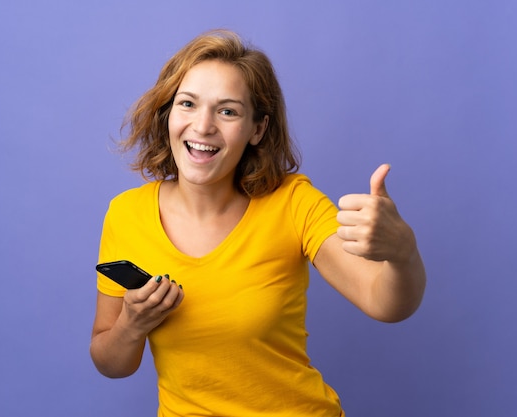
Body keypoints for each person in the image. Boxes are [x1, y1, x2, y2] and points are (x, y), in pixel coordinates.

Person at [90, 29, 426, 417]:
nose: (202, 126)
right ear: (168, 113)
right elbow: (111, 363)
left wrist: (403, 253)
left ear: (257, 129)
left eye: (227, 110)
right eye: (187, 104)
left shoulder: (293, 203)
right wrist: (132, 325)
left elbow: (385, 303)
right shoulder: (126, 214)